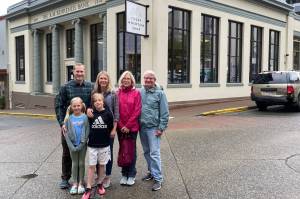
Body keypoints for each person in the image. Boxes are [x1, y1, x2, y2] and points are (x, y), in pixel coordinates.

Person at [55, 63, 93, 189]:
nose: (79, 74)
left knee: (85, 153)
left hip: (85, 126)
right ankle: (65, 178)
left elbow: (94, 104)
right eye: (77, 71)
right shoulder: (65, 87)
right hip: (68, 126)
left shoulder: (90, 86)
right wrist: (62, 124)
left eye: (81, 71)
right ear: (73, 72)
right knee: (67, 152)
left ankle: (82, 179)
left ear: (84, 72)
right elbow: (59, 106)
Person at [87, 71, 119, 188]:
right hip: (96, 128)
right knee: (96, 153)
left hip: (109, 128)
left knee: (107, 153)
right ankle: (98, 177)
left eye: (105, 78)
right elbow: (90, 107)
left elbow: (116, 113)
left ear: (108, 80)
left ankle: (107, 176)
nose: (103, 80)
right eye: (101, 78)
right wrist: (88, 110)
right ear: (98, 80)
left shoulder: (113, 94)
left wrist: (114, 129)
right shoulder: (94, 93)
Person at [139, 70, 169, 191]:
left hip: (153, 129)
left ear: (154, 80)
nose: (148, 80)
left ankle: (158, 178)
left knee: (154, 153)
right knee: (146, 152)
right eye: (146, 78)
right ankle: (151, 172)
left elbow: (165, 113)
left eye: (151, 78)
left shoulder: (160, 93)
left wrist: (161, 128)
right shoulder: (141, 92)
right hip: (142, 127)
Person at [82, 93, 114, 199]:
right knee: (91, 166)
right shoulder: (91, 113)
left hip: (104, 144)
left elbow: (110, 127)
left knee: (101, 165)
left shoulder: (108, 114)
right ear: (93, 103)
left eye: (100, 100)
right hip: (92, 145)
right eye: (95, 101)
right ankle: (88, 188)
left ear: (103, 101)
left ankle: (100, 183)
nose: (98, 102)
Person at [117, 71, 141, 186]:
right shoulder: (117, 93)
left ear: (132, 81)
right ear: (121, 80)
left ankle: (131, 174)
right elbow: (115, 111)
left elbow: (137, 110)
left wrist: (128, 125)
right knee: (123, 149)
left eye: (128, 78)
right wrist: (122, 126)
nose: (126, 80)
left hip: (132, 128)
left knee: (131, 150)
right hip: (120, 127)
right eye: (124, 78)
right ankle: (124, 173)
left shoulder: (136, 93)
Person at [63, 97, 89, 195]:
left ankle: (81, 183)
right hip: (72, 146)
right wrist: (71, 146)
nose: (77, 107)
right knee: (75, 163)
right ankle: (75, 183)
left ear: (82, 106)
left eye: (78, 105)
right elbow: (66, 134)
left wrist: (82, 144)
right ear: (71, 107)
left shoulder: (85, 117)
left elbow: (87, 132)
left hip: (82, 145)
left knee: (81, 163)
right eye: (74, 106)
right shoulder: (69, 119)